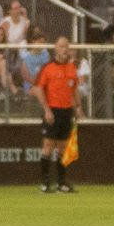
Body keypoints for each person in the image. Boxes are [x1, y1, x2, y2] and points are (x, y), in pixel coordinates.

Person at [34, 38, 81, 194]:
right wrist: (46, 110)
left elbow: (74, 90)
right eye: (61, 46)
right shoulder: (48, 67)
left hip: (66, 110)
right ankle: (45, 182)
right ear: (55, 49)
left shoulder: (72, 68)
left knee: (62, 147)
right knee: (48, 145)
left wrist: (78, 108)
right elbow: (39, 89)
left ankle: (61, 183)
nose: (64, 49)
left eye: (66, 47)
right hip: (52, 110)